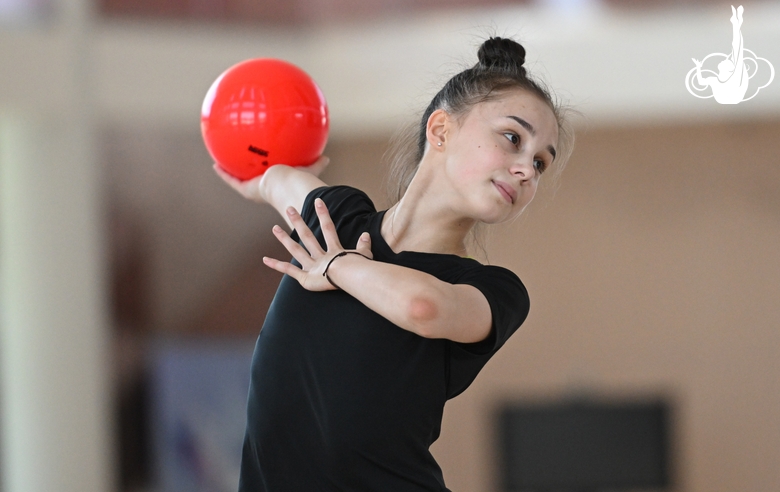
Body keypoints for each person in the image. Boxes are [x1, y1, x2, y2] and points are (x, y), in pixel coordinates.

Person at [215, 36, 574, 491]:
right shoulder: (336, 216)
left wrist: (337, 267)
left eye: (540, 163)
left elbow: (421, 307)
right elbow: (280, 179)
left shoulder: (495, 290)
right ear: (441, 130)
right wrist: (258, 179)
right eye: (512, 138)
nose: (526, 169)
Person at [692, 5, 748, 104]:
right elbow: (701, 82)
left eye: (727, 62)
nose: (725, 60)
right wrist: (698, 67)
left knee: (737, 49)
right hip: (725, 103)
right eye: (727, 61)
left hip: (732, 102)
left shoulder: (734, 77)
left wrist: (736, 26)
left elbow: (737, 48)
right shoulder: (715, 80)